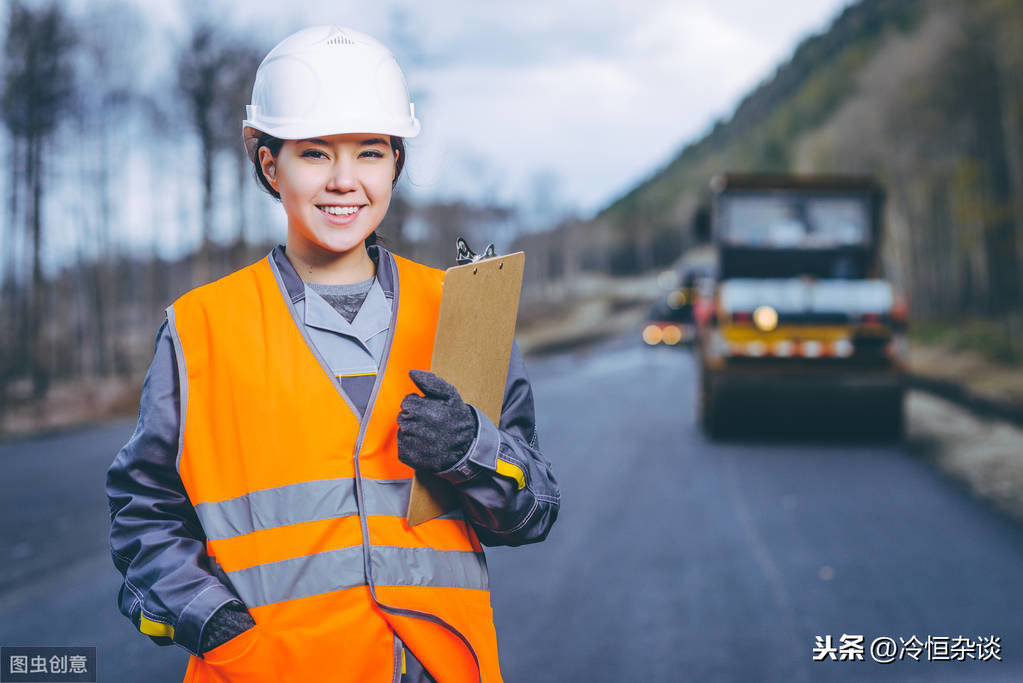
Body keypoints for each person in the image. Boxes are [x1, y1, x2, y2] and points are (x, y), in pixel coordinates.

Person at [106, 26, 559, 683]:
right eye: (315, 154)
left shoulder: (460, 311)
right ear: (270, 165)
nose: (345, 181)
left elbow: (533, 508)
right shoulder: (202, 329)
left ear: (395, 165)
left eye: (370, 153)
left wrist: (471, 448)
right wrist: (215, 625)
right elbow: (143, 514)